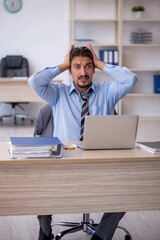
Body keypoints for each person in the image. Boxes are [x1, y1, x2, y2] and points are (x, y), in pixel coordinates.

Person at [29, 43, 137, 240]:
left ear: (93, 69)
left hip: (101, 164)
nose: (83, 72)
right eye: (77, 67)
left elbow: (131, 78)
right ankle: (45, 233)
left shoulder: (108, 92)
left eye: (88, 66)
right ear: (71, 71)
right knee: (40, 188)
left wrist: (99, 62)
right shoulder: (57, 93)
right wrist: (62, 65)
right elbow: (34, 81)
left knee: (127, 190)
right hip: (64, 164)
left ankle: (101, 236)